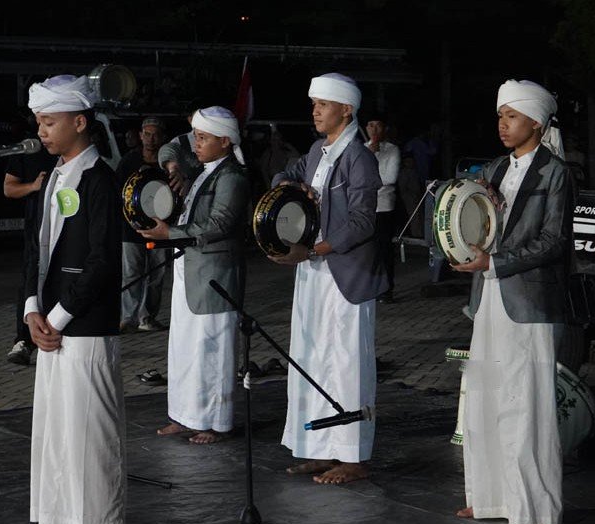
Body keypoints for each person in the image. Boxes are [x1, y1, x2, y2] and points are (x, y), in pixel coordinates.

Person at [452, 79, 573, 524]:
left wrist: (495, 262)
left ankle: (533, 507)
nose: (503, 124)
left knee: (524, 404)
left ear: (536, 123)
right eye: (501, 116)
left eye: (512, 116)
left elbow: (554, 240)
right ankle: (489, 498)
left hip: (528, 299)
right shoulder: (495, 168)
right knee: (485, 397)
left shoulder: (555, 173)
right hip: (488, 296)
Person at [271, 73, 387, 485]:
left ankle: (353, 457)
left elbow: (362, 222)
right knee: (313, 358)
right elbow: (281, 177)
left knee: (347, 363)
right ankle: (321, 448)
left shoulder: (359, 158)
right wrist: (292, 185)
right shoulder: (317, 151)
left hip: (345, 274)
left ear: (347, 109)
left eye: (323, 104)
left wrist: (314, 250)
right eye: (314, 104)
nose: (315, 111)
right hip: (315, 272)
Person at [23, 74, 126, 524]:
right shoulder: (52, 178)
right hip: (49, 327)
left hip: (83, 329)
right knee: (57, 441)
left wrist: (59, 316)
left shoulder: (101, 180)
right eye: (39, 123)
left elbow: (102, 260)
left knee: (89, 445)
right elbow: (36, 248)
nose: (41, 131)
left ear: (80, 122)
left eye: (49, 122)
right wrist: (32, 310)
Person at [137, 107, 250, 445]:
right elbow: (169, 149)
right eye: (196, 137)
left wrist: (169, 233)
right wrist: (173, 167)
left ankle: (216, 423)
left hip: (215, 278)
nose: (196, 143)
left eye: (203, 138)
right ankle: (185, 416)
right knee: (184, 349)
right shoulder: (202, 171)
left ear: (225, 141)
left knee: (212, 352)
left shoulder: (232, 177)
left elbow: (219, 224)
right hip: (191, 272)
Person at [4, 131, 57, 365]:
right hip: (36, 230)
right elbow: (9, 188)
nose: (44, 128)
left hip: (66, 228)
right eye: (41, 120)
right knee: (30, 280)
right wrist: (34, 186)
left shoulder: (73, 149)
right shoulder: (28, 148)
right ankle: (24, 340)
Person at [116, 117, 168, 333]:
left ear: (162, 137)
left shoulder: (168, 162)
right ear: (140, 135)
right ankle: (128, 318)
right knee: (131, 274)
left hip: (161, 228)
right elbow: (117, 192)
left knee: (157, 273)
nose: (151, 139)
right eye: (147, 134)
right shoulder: (129, 161)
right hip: (131, 228)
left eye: (155, 134)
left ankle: (147, 317)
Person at [365, 115, 401, 303]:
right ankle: (370, 287)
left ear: (384, 128)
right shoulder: (362, 149)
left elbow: (390, 178)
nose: (374, 129)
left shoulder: (392, 150)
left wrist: (373, 156)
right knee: (367, 250)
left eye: (378, 125)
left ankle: (386, 289)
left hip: (384, 206)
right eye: (371, 125)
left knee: (384, 249)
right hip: (365, 207)